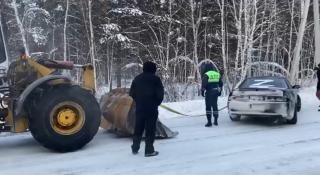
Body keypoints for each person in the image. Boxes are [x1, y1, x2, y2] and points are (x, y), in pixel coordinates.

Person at [129, 61, 164, 157]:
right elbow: (160, 94)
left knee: (138, 128)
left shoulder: (137, 78)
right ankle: (149, 150)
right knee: (150, 129)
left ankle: (135, 148)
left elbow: (131, 93)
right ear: (153, 69)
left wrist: (138, 100)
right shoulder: (156, 79)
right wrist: (156, 103)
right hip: (152, 109)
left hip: (140, 108)